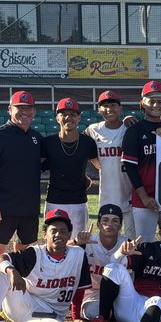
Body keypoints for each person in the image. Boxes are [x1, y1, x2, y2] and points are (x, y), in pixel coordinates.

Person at [0, 90, 44, 289]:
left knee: (22, 254)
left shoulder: (36, 138)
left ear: (34, 111)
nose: (24, 112)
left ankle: (14, 298)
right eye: (19, 108)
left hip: (28, 209)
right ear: (9, 109)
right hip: (3, 208)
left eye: (28, 108)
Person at [122, 80, 161, 243]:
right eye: (151, 101)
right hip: (144, 199)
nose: (156, 105)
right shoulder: (134, 131)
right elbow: (130, 168)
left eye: (160, 101)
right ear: (142, 104)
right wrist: (145, 197)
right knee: (142, 243)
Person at [40, 97, 99, 238]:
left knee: (78, 243)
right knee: (53, 242)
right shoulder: (48, 142)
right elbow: (34, 168)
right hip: (54, 199)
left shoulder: (87, 142)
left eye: (72, 114)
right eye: (63, 114)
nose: (68, 117)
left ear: (79, 118)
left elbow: (100, 165)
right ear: (57, 118)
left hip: (79, 201)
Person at [84, 90, 135, 240]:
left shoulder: (129, 127)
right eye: (105, 106)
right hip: (107, 194)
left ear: (120, 108)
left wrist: (129, 118)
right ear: (99, 109)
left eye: (113, 105)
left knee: (132, 238)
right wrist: (95, 162)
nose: (109, 109)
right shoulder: (94, 129)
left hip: (130, 192)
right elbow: (81, 146)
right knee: (109, 238)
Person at [79, 203, 128, 322]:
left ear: (120, 225)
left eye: (115, 221)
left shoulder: (127, 244)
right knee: (93, 312)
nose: (109, 224)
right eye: (105, 220)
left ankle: (108, 317)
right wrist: (77, 243)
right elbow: (61, 251)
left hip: (120, 295)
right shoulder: (88, 242)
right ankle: (107, 318)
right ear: (99, 224)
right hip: (93, 294)